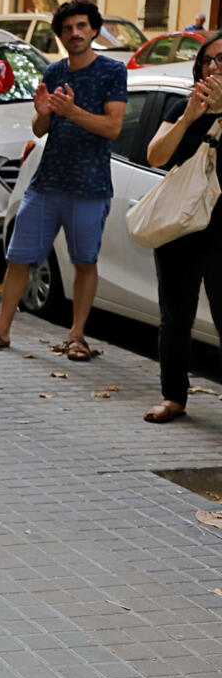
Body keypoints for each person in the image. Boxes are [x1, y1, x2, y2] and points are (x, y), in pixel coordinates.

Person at [0, 0, 126, 360]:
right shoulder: (54, 72)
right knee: (18, 258)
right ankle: (1, 330)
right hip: (46, 181)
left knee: (85, 262)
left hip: (90, 185)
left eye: (82, 26)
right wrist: (43, 114)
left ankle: (77, 337)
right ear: (61, 36)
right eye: (68, 29)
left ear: (95, 30)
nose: (75, 33)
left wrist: (73, 111)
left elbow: (113, 127)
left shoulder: (113, 72)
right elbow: (41, 129)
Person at [142, 32, 222, 423]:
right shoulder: (181, 106)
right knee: (175, 316)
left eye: (220, 59)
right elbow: (156, 155)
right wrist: (190, 116)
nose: (212, 67)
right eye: (206, 60)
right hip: (181, 228)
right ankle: (174, 397)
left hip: (221, 231)